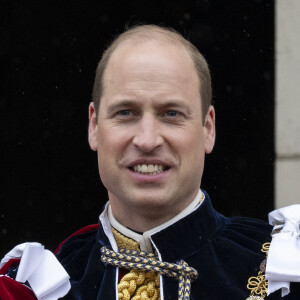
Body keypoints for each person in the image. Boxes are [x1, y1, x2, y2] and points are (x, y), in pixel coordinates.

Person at [1, 24, 300, 300]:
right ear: (94, 127)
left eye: (171, 114)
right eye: (125, 113)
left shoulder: (283, 269)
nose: (147, 140)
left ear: (208, 129)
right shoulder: (36, 288)